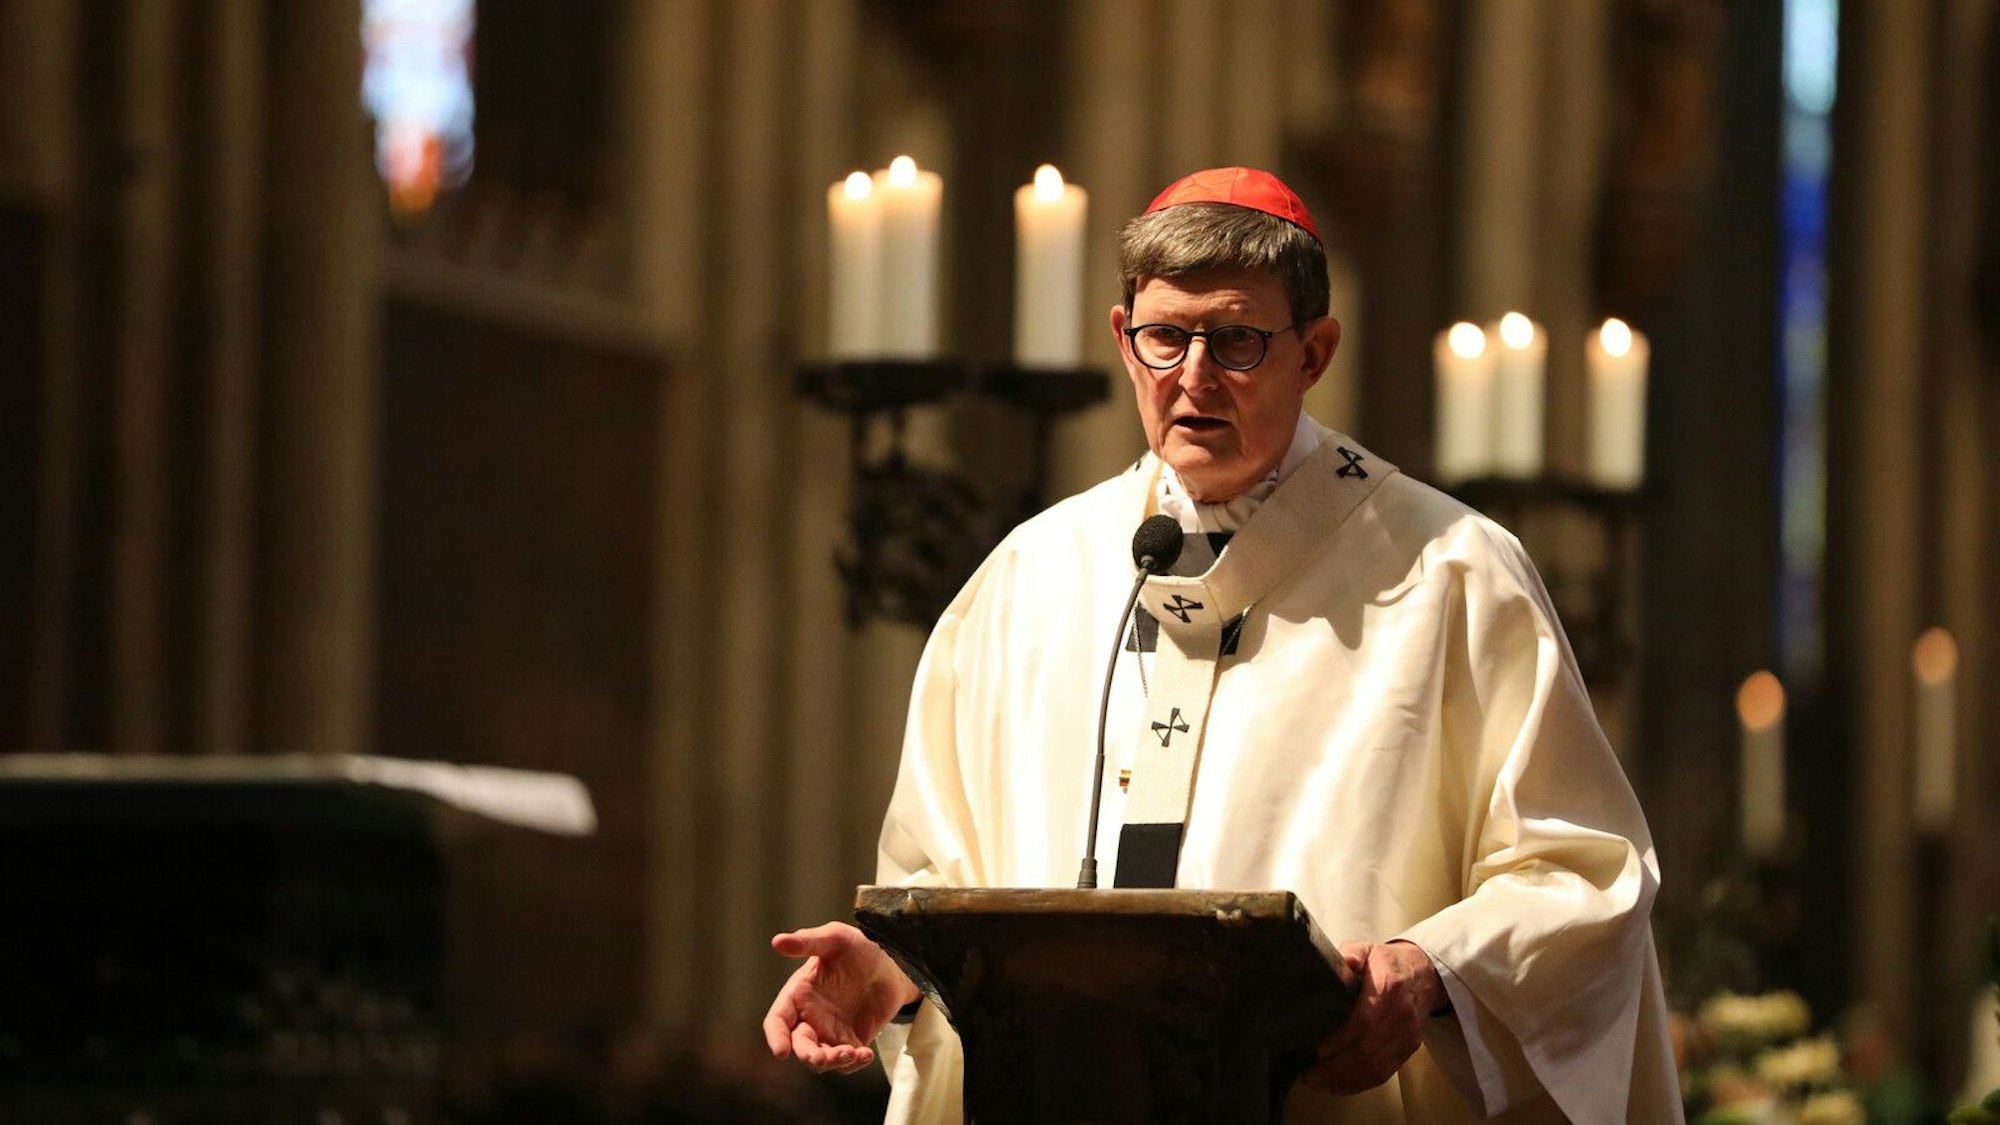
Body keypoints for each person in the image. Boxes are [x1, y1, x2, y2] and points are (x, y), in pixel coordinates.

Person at [764, 167, 1682, 1123]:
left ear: (1314, 353)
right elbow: (943, 874)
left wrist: (1431, 967)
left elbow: (1582, 874)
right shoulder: (1028, 579)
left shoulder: (1452, 573)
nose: (1194, 377)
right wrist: (890, 971)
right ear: (1123, 340)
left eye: (1237, 340)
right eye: (1165, 337)